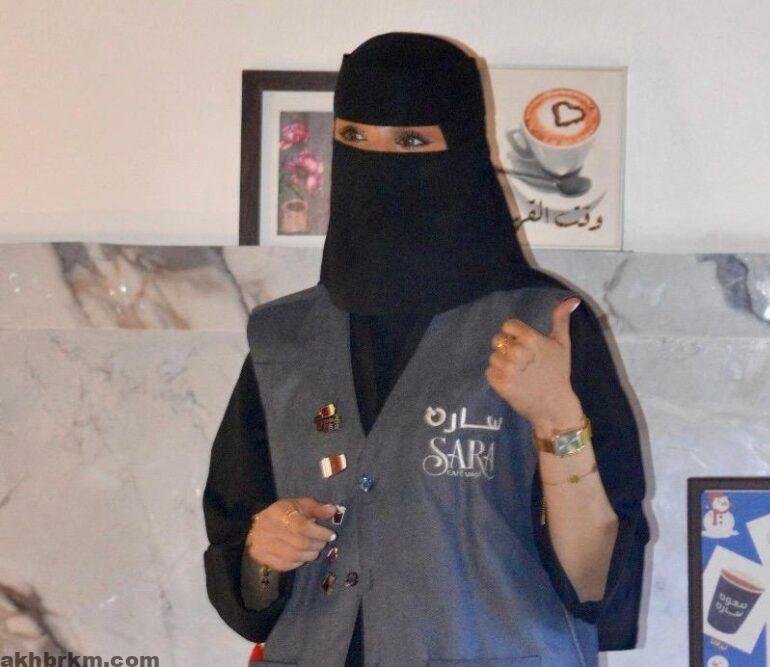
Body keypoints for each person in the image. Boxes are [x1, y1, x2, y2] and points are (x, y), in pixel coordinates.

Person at [202, 31, 649, 666]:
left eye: (412, 142)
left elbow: (596, 582)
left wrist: (556, 417)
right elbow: (240, 557)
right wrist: (263, 549)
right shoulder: (285, 339)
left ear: (460, 152)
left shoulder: (546, 329)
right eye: (355, 138)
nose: (380, 163)